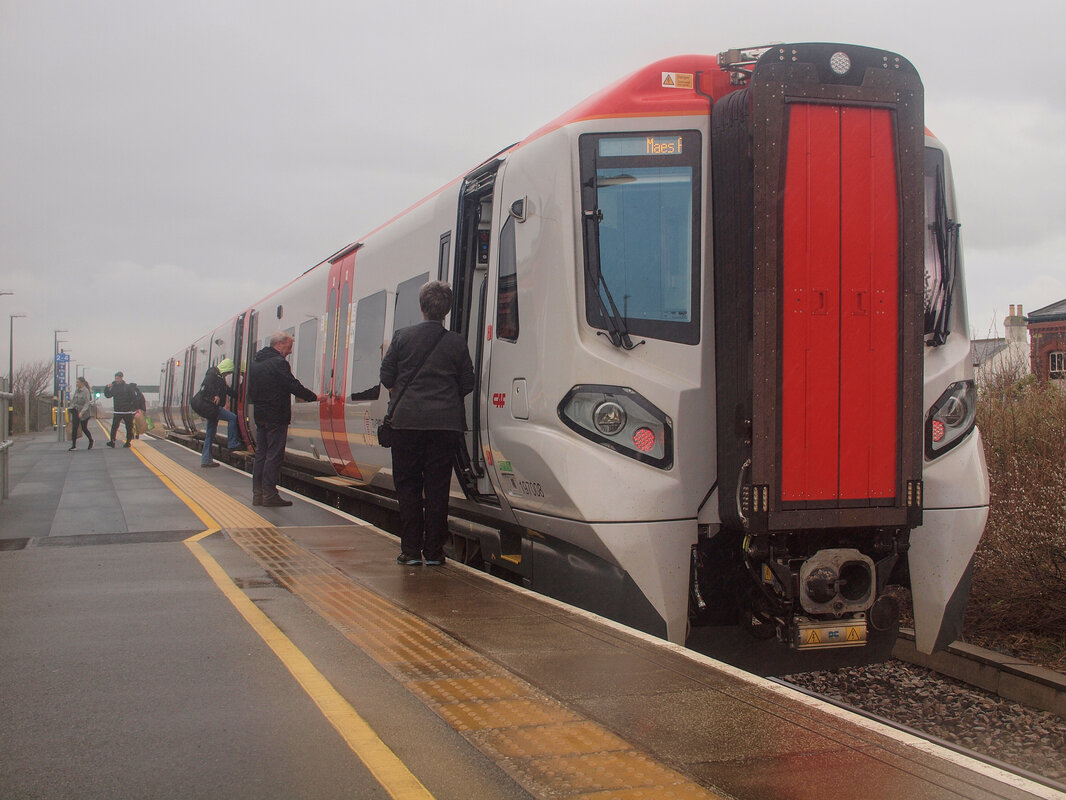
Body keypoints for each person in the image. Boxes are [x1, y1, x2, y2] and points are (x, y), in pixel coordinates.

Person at [380, 280, 474, 566]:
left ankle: (410, 552)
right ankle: (433, 552)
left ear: (421, 307)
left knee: (408, 487)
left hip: (406, 424)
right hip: (444, 426)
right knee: (437, 488)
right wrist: (444, 399)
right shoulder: (457, 342)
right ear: (445, 311)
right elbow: (467, 383)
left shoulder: (401, 337)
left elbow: (386, 377)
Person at [247, 331, 317, 506]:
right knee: (274, 455)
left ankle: (258, 494)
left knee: (261, 454)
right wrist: (315, 397)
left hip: (260, 416)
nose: (290, 351)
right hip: (276, 416)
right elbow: (293, 385)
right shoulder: (279, 363)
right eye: (289, 347)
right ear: (279, 344)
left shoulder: (255, 363)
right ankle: (270, 495)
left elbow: (250, 392)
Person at [197, 358, 243, 468]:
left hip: (212, 409)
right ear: (225, 368)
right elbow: (206, 387)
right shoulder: (212, 374)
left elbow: (229, 391)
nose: (228, 374)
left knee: (210, 434)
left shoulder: (219, 378)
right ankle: (232, 443)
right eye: (228, 372)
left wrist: (241, 395)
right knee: (232, 418)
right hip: (213, 408)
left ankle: (206, 460)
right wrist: (215, 395)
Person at [104, 371, 136, 448]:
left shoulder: (128, 387)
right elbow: (108, 395)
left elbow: (133, 398)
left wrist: (132, 408)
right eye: (115, 378)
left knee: (129, 427)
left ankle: (128, 441)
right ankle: (112, 441)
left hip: (127, 411)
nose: (116, 380)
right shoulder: (114, 387)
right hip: (117, 410)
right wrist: (106, 388)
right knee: (114, 426)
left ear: (121, 378)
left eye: (117, 378)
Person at [68, 376, 95, 450]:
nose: (76, 384)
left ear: (82, 383)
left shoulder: (86, 391)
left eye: (78, 382)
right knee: (74, 428)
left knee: (84, 428)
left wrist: (82, 413)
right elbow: (74, 400)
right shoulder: (77, 390)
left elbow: (87, 403)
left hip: (84, 413)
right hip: (76, 411)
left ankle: (91, 440)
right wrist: (70, 408)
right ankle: (73, 445)